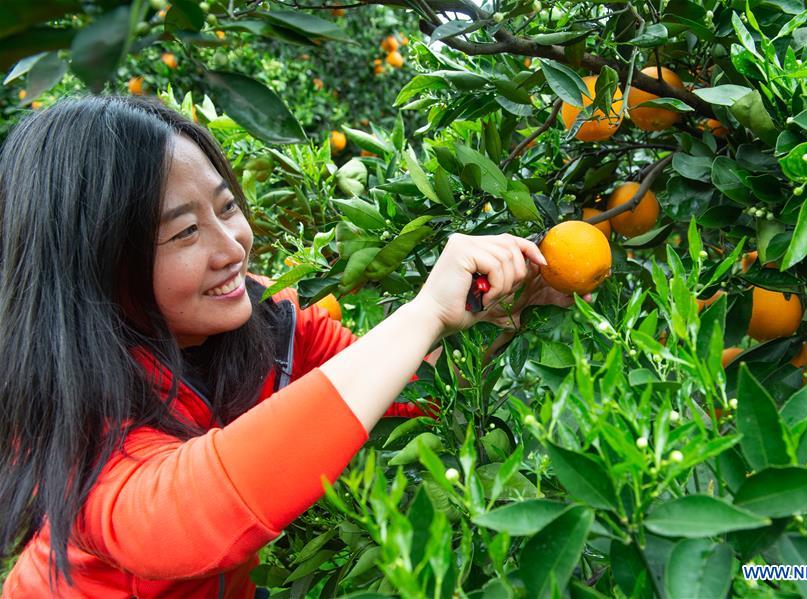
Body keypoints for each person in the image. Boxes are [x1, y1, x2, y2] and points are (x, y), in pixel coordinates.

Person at [0, 95, 583, 598]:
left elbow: (397, 393)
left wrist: (485, 314)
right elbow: (189, 513)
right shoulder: (71, 412)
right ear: (99, 265)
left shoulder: (268, 321)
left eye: (227, 207)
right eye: (185, 231)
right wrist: (422, 312)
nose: (232, 247)